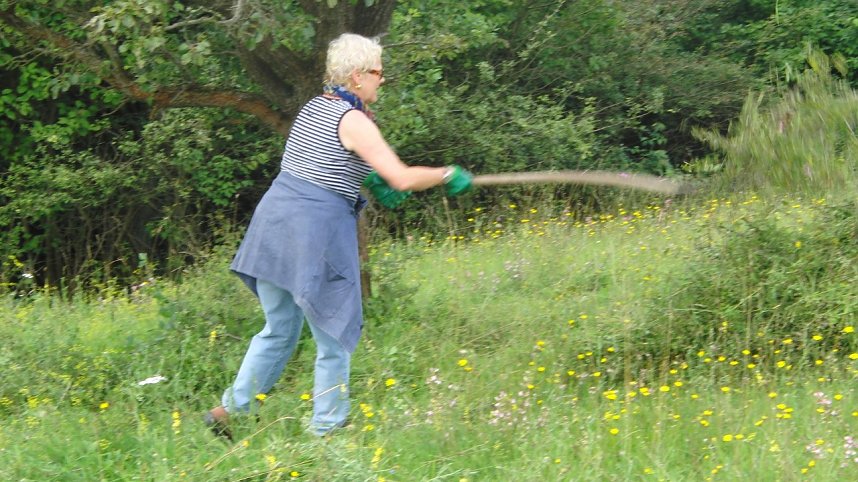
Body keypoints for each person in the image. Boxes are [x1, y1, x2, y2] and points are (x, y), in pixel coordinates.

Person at [205, 32, 472, 439]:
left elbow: (323, 159)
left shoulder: (314, 107)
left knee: (279, 327)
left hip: (274, 225)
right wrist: (445, 174)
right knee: (334, 330)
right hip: (314, 231)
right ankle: (326, 431)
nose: (382, 79)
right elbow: (400, 177)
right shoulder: (354, 120)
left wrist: (366, 178)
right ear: (356, 76)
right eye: (378, 72)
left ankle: (230, 411)